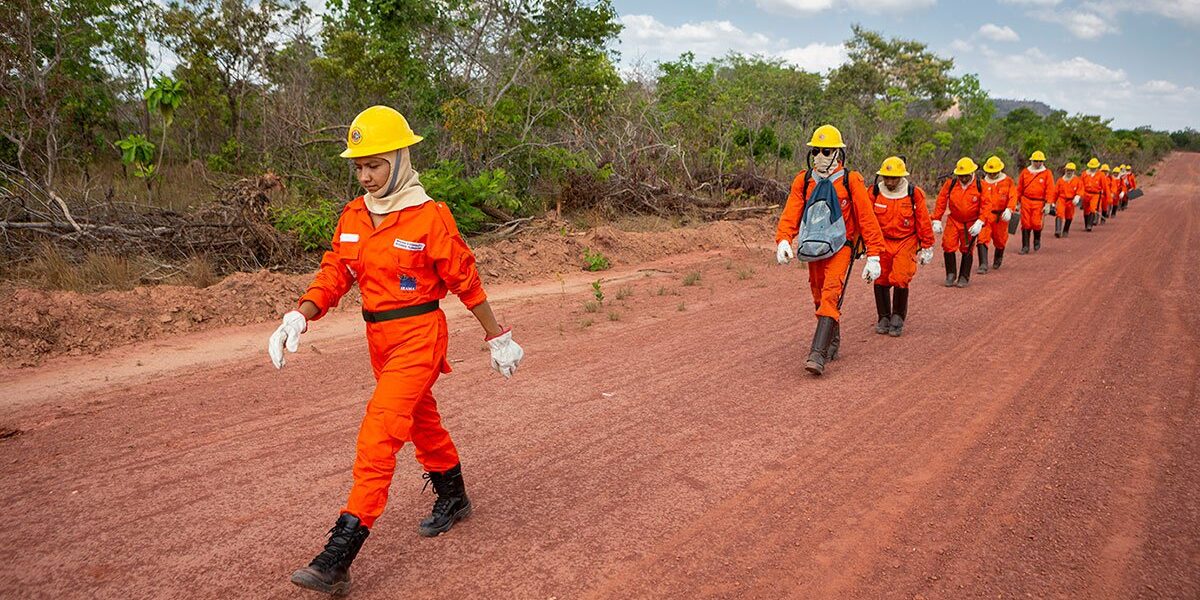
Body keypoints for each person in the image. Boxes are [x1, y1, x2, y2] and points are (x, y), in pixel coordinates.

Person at [268, 105, 526, 596]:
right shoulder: (352, 217)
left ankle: (339, 554)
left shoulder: (429, 217)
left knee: (380, 432)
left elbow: (464, 280)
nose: (366, 176)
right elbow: (336, 273)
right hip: (379, 341)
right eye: (359, 167)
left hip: (420, 336)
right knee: (420, 419)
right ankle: (454, 496)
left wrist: (498, 336)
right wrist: (301, 312)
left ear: (400, 160)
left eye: (376, 165)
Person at [775, 124, 885, 376]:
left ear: (838, 153)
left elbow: (867, 218)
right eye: (816, 151)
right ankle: (832, 339)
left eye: (826, 151)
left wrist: (874, 255)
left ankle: (817, 353)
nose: (820, 156)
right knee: (817, 294)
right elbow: (791, 211)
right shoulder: (804, 180)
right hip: (813, 247)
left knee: (830, 293)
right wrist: (783, 239)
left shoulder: (851, 180)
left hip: (841, 246)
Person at [866, 156, 935, 337]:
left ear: (901, 177)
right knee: (880, 278)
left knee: (901, 276)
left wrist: (928, 246)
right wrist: (860, 246)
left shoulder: (914, 193)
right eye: (886, 178)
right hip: (882, 241)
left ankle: (897, 316)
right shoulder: (873, 193)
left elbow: (923, 221)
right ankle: (883, 316)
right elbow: (865, 220)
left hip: (906, 241)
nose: (889, 182)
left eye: (894, 178)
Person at [932, 157, 993, 288]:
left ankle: (964, 276)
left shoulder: (981, 185)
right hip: (954, 220)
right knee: (948, 245)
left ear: (972, 173)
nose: (963, 178)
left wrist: (980, 222)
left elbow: (987, 205)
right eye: (960, 176)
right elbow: (941, 200)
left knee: (967, 248)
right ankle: (950, 274)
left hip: (971, 223)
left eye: (965, 176)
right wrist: (936, 218)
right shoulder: (951, 184)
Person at [978, 156, 1017, 271]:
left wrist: (1009, 209)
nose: (992, 175)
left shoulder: (1008, 181)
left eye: (994, 172)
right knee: (982, 238)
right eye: (990, 172)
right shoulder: (982, 182)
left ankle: (998, 257)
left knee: (1000, 239)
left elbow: (1013, 196)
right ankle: (983, 264)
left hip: (1001, 216)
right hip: (986, 215)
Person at [1016, 150, 1055, 253]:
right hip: (1026, 200)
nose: (1038, 163)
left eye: (1040, 161)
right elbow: (1019, 188)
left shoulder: (1047, 173)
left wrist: (1048, 204)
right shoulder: (1025, 172)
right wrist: (1017, 202)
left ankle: (1037, 239)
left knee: (1036, 223)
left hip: (1039, 202)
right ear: (1032, 161)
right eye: (1036, 161)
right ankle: (1025, 246)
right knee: (1025, 223)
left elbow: (1050, 189)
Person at [1053, 162, 1083, 238]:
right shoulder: (1060, 180)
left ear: (1074, 171)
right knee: (1059, 213)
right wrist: (1053, 202)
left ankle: (1066, 230)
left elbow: (1080, 190)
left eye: (1071, 170)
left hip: (1071, 200)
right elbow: (1056, 192)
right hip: (1061, 199)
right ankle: (1058, 230)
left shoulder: (1077, 180)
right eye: (1067, 170)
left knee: (1069, 216)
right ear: (1065, 170)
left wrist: (1077, 196)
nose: (1069, 172)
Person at [1079, 158, 1104, 232]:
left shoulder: (1101, 175)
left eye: (1094, 167)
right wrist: (1080, 194)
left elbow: (1104, 185)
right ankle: (1086, 224)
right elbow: (1081, 184)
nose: (1093, 168)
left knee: (1093, 209)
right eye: (1092, 167)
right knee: (1086, 210)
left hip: (1095, 194)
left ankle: (1090, 225)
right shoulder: (1084, 174)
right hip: (1086, 193)